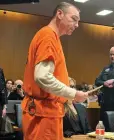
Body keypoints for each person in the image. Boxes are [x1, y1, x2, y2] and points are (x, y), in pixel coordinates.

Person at [21, 2, 88, 140]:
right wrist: (73, 94)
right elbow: (43, 77)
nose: (77, 25)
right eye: (74, 19)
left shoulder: (51, 36)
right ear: (59, 14)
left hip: (48, 112)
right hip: (44, 114)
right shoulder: (48, 36)